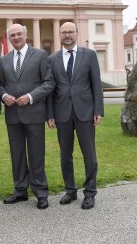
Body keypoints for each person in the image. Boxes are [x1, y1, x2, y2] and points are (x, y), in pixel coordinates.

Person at [0, 24, 54, 209]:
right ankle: (20, 190)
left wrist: (30, 97)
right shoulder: (4, 59)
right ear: (9, 38)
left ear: (25, 35)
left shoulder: (40, 55)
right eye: (12, 35)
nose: (16, 37)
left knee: (37, 155)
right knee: (17, 154)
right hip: (13, 116)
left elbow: (49, 82)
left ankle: (41, 192)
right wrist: (4, 96)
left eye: (18, 34)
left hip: (34, 114)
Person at [46, 22, 104, 209]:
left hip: (85, 112)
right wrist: (50, 114)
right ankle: (70, 191)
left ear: (77, 33)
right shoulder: (52, 59)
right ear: (60, 35)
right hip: (61, 113)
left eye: (71, 32)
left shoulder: (89, 55)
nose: (67, 35)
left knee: (89, 154)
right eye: (64, 32)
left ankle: (90, 193)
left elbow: (97, 85)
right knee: (65, 155)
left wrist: (98, 110)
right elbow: (50, 89)